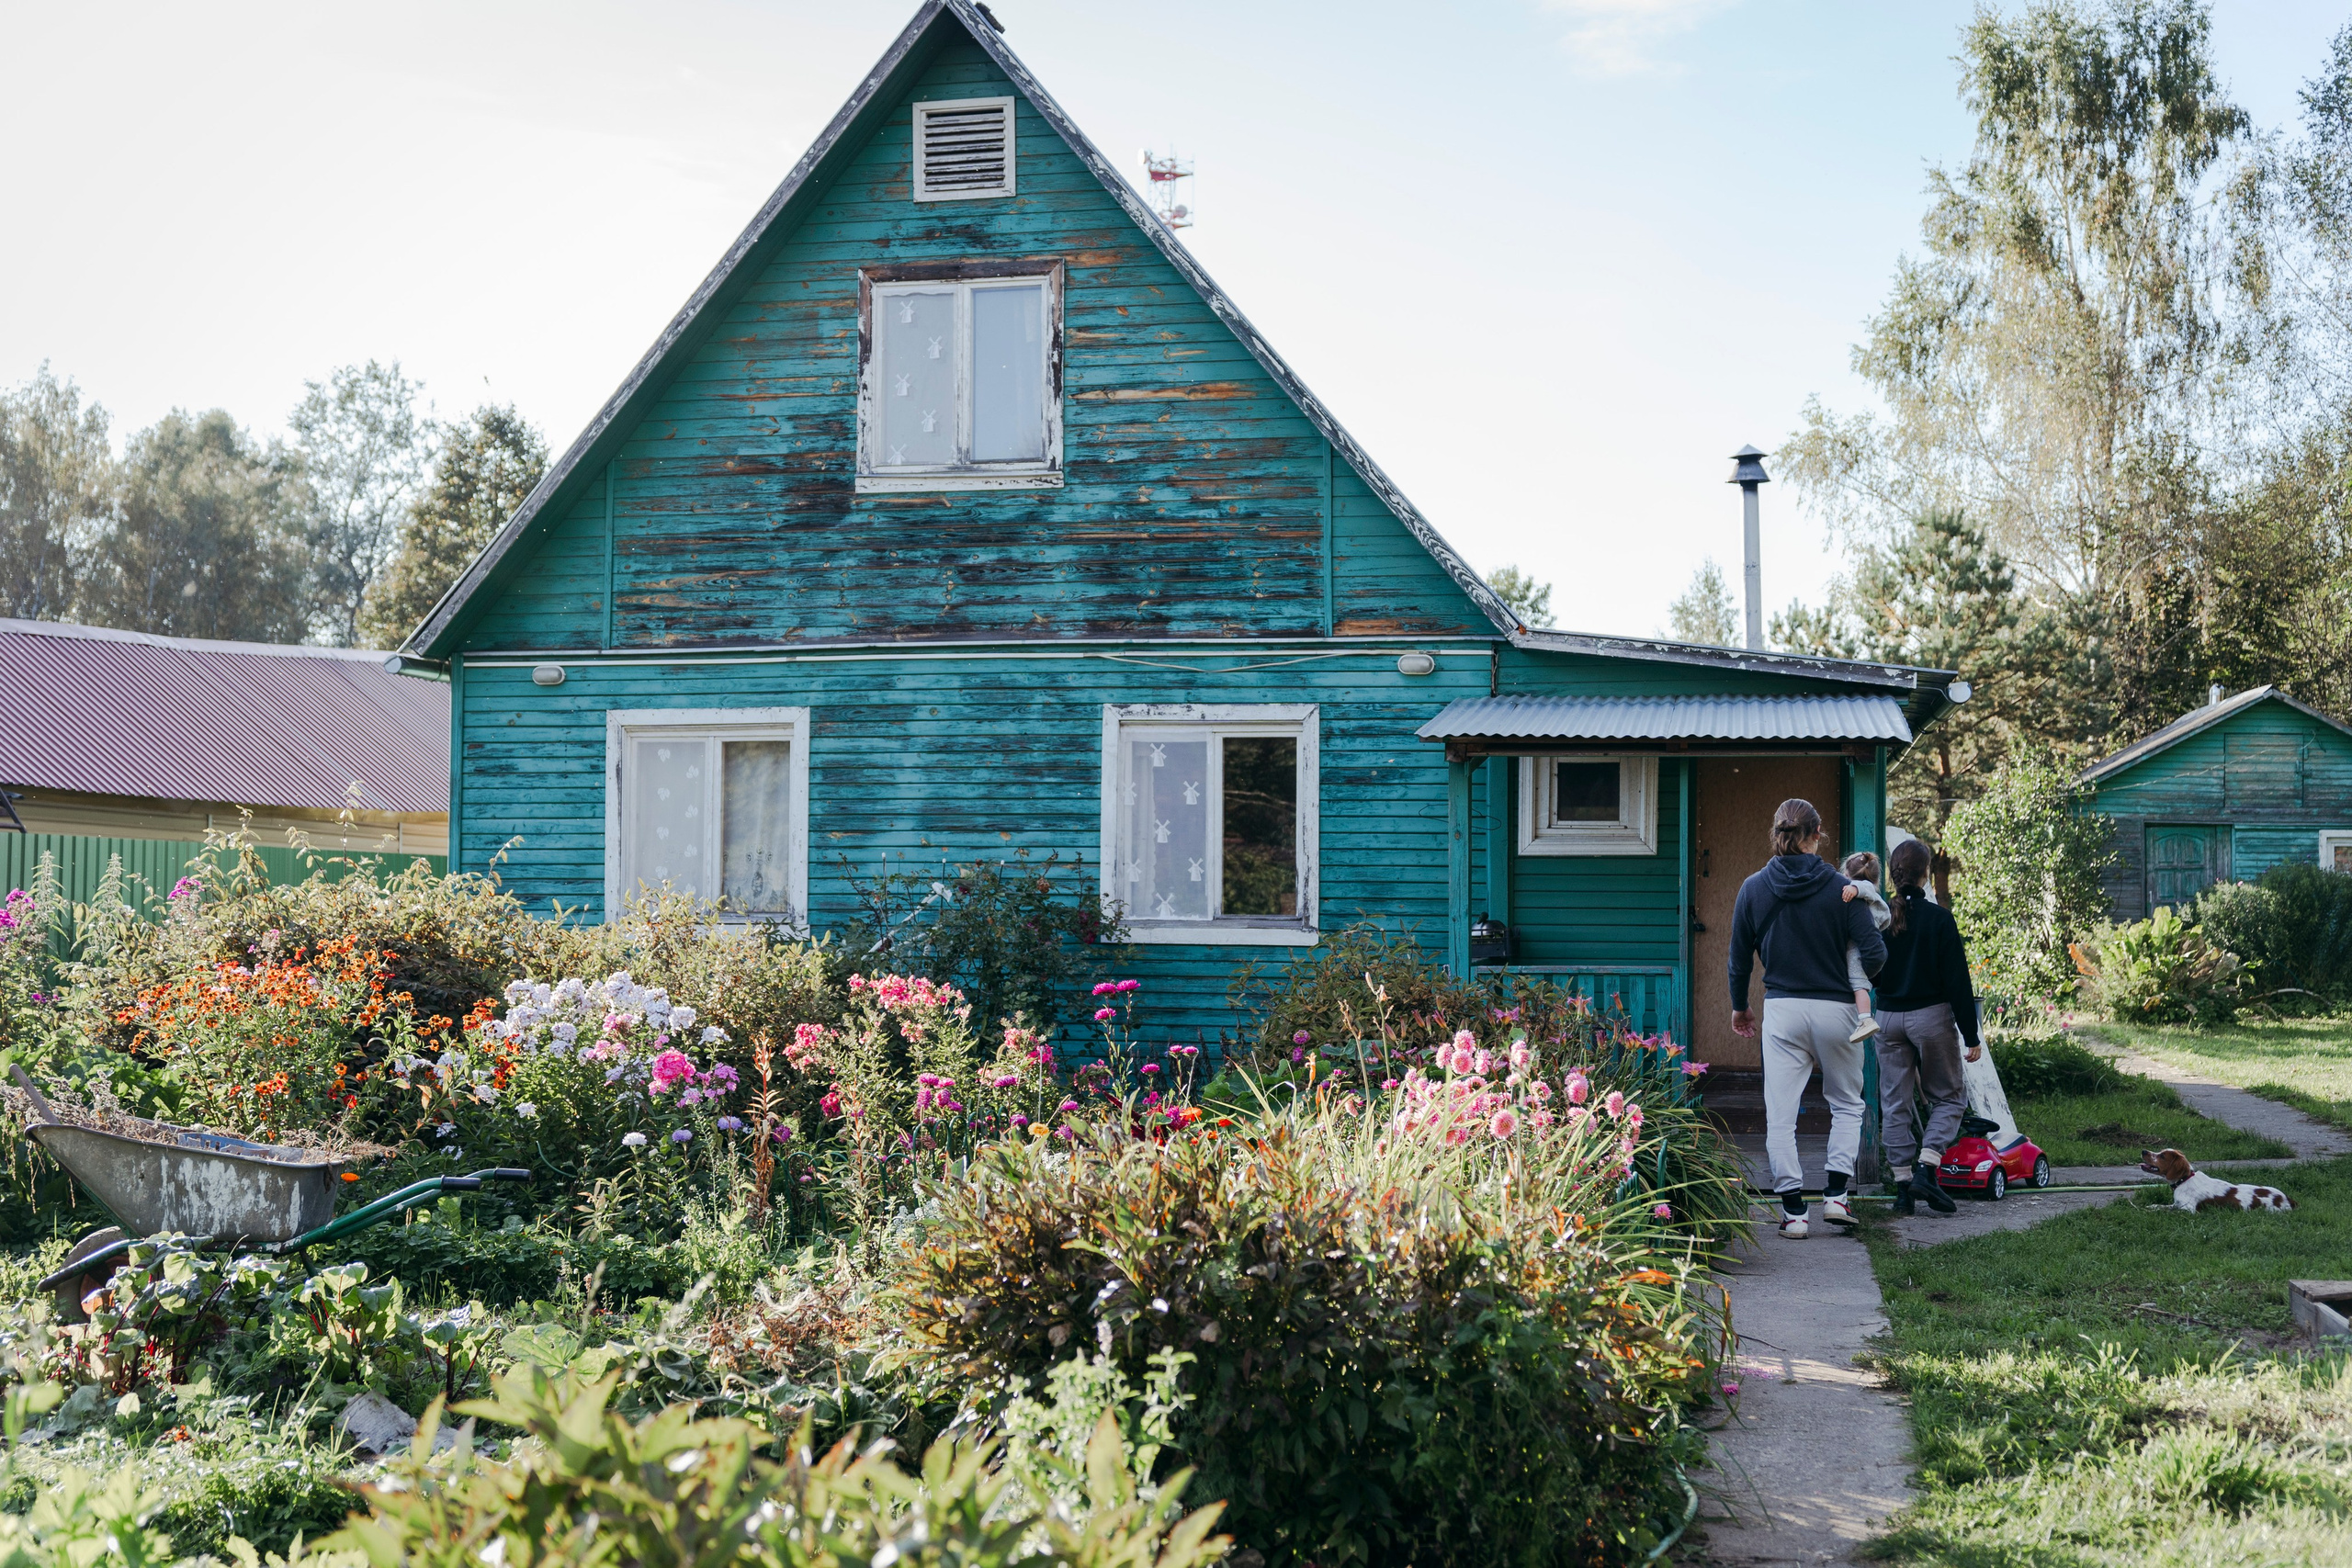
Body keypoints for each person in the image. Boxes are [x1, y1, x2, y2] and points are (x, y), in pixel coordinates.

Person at [1729, 799, 1887, 1239]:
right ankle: (1836, 1197)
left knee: (1781, 1116)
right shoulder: (1844, 889)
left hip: (1781, 1010)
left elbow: (1739, 959)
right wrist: (1857, 976)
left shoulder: (1752, 888)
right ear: (1817, 834)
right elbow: (1875, 953)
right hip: (1838, 1009)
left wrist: (1740, 1006)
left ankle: (1794, 1213)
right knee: (1847, 1104)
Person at [1871, 837, 1982, 1216]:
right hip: (1931, 1017)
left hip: (1885, 1019)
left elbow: (1867, 966)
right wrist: (1971, 1034)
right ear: (1927, 874)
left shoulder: (1880, 916)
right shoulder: (1939, 919)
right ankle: (1926, 1167)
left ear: (1894, 873)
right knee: (1949, 1097)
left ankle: (1903, 1191)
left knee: (1895, 1103)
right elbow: (1958, 983)